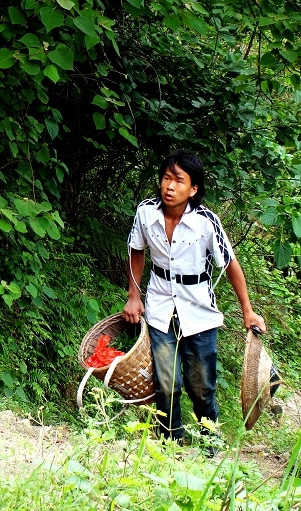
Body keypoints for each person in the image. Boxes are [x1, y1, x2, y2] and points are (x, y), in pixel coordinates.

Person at [122, 149, 266, 451]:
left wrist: (248, 311)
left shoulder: (205, 222)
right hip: (161, 306)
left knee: (201, 386)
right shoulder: (146, 213)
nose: (169, 186)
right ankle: (169, 446)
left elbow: (230, 264)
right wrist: (134, 296)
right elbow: (137, 250)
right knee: (166, 383)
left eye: (178, 181)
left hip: (198, 310)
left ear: (193, 188)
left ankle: (208, 443)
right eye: (166, 178)